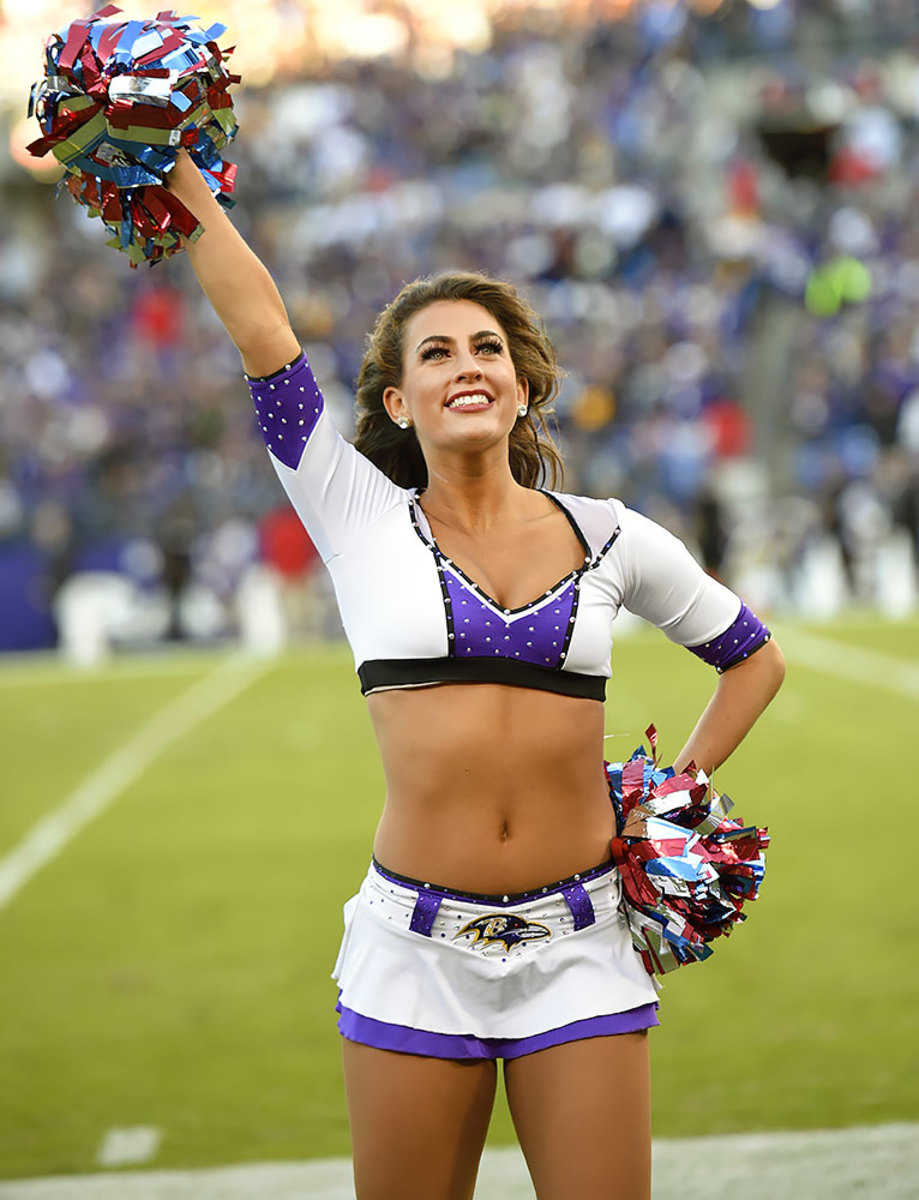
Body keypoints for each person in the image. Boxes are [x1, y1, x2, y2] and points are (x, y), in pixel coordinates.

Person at [167, 148, 785, 1200]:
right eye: (438, 351)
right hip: (413, 950)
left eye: (489, 348)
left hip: (582, 941)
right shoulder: (355, 513)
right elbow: (265, 336)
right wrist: (174, 170)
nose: (469, 363)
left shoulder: (610, 537)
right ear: (400, 401)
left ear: (522, 383)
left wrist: (665, 803)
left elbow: (751, 660)